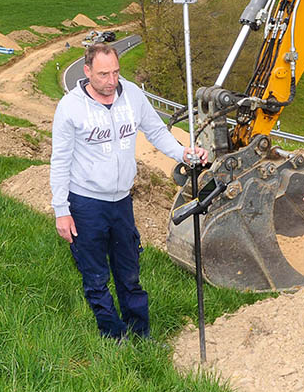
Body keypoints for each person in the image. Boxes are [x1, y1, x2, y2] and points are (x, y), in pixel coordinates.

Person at [50, 43, 206, 341]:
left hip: (121, 201)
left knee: (129, 272)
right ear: (87, 71)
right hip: (85, 203)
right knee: (95, 276)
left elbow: (157, 131)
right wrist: (62, 210)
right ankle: (114, 334)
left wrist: (183, 154)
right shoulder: (70, 108)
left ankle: (140, 332)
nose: (111, 81)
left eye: (116, 72)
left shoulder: (132, 94)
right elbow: (60, 161)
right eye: (103, 74)